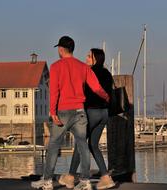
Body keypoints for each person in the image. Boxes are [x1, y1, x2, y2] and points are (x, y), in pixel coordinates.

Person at [31, 36, 109, 190]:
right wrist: (106, 97)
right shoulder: (83, 67)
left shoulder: (56, 66)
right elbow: (96, 87)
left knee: (53, 145)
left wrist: (53, 111)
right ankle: (85, 181)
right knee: (82, 145)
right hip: (80, 111)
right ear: (72, 49)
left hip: (63, 112)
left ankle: (47, 181)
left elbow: (54, 91)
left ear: (61, 49)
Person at [58, 48, 115, 190]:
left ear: (96, 59)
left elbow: (81, 92)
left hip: (92, 112)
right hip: (104, 114)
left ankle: (70, 177)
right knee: (93, 145)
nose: (86, 57)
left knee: (79, 144)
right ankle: (106, 177)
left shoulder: (88, 72)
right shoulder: (107, 73)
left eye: (89, 56)